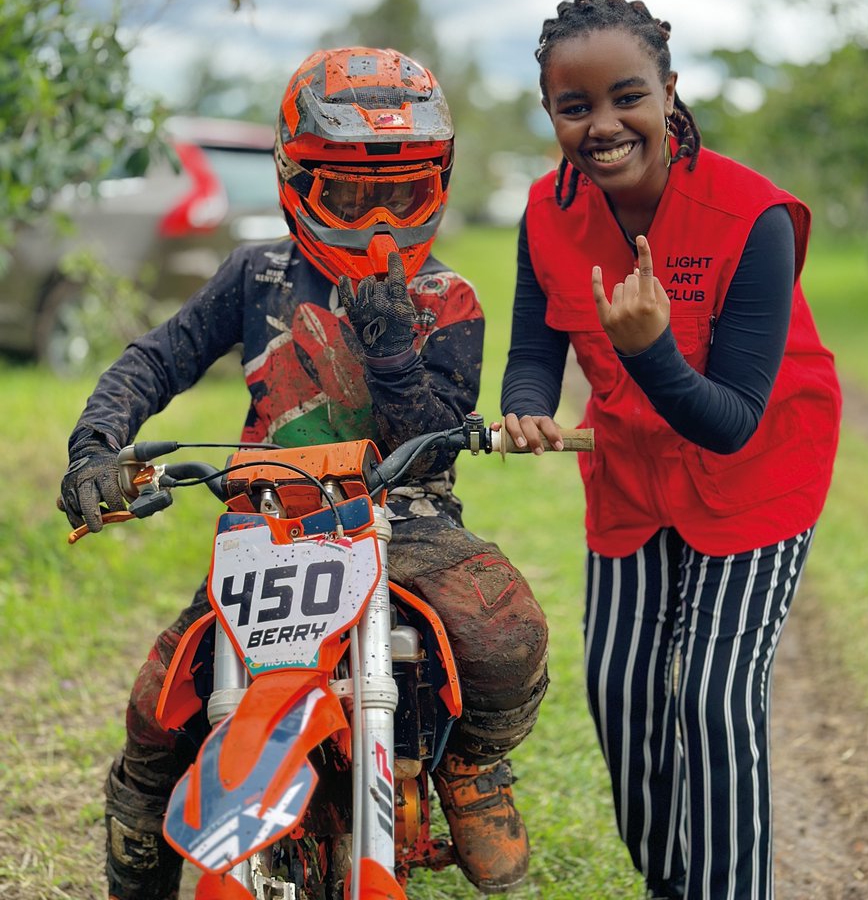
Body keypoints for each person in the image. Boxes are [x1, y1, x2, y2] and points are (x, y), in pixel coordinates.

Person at [58, 46, 549, 900]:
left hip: (408, 521)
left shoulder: (449, 297)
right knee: (154, 709)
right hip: (267, 525)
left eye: (402, 193)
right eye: (352, 196)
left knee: (505, 631)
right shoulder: (258, 274)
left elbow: (432, 440)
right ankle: (143, 843)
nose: (378, 221)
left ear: (438, 181)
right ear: (295, 179)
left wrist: (393, 346)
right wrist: (98, 442)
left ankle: (472, 765)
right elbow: (155, 359)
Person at [500, 0, 841, 900]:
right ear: (551, 114)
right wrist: (526, 407)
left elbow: (731, 421)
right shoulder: (546, 211)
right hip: (632, 478)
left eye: (626, 97)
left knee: (714, 699)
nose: (604, 125)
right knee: (621, 691)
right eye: (575, 108)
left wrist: (649, 352)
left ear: (669, 92)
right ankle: (674, 883)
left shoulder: (753, 219)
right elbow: (534, 348)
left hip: (758, 471)